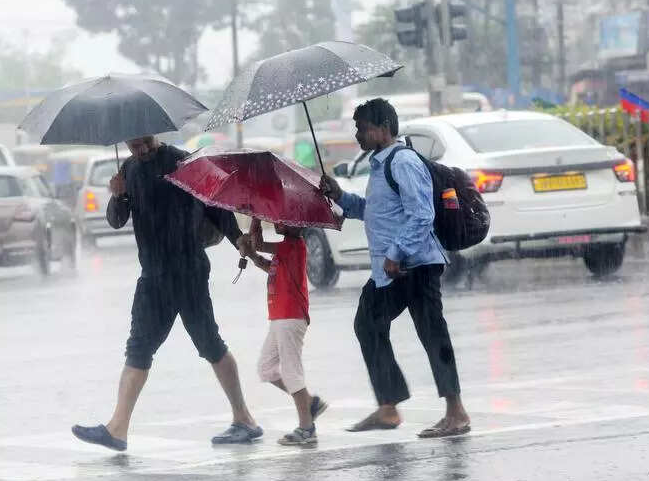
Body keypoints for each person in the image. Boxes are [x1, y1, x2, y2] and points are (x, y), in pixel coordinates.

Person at [72, 135, 262, 450]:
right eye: (135, 146)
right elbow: (116, 221)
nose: (142, 150)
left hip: (189, 270)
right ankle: (117, 430)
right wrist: (118, 196)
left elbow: (215, 207)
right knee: (138, 348)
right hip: (153, 275)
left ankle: (244, 419)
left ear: (155, 134)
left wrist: (238, 238)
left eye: (146, 143)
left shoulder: (184, 161)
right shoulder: (129, 170)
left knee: (210, 343)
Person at [319, 99, 470, 438]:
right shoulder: (379, 164)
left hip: (414, 265)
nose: (358, 135)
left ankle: (456, 412)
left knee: (432, 334)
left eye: (363, 129)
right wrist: (340, 196)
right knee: (368, 324)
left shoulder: (402, 162)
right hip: (391, 269)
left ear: (384, 127)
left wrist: (397, 252)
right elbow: (374, 210)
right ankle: (388, 408)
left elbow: (421, 214)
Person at [248, 218, 327, 445]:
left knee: (292, 372)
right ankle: (309, 402)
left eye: (285, 220)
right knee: (266, 369)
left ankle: (306, 428)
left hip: (290, 316)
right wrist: (252, 256)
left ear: (298, 224)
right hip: (279, 317)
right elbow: (270, 264)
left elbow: (259, 244)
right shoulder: (286, 249)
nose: (279, 223)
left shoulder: (294, 245)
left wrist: (255, 219)